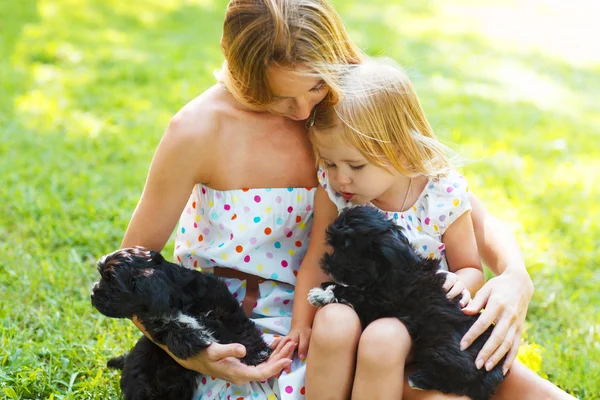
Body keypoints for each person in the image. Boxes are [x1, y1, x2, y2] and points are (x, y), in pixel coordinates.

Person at [118, 0, 549, 399]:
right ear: (235, 62)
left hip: (365, 311)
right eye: (277, 96)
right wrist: (182, 346)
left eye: (314, 89)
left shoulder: (353, 101)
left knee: (502, 380)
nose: (304, 113)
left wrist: (515, 275)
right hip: (261, 332)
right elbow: (130, 269)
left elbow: (459, 204)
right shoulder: (197, 130)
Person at [282, 57, 574, 399]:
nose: (340, 177)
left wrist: (458, 281)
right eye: (329, 163)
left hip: (416, 323)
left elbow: (469, 267)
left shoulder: (441, 193)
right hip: (355, 306)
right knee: (332, 322)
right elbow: (318, 256)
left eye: (356, 165)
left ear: (400, 149)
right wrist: (301, 323)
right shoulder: (336, 191)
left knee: (384, 338)